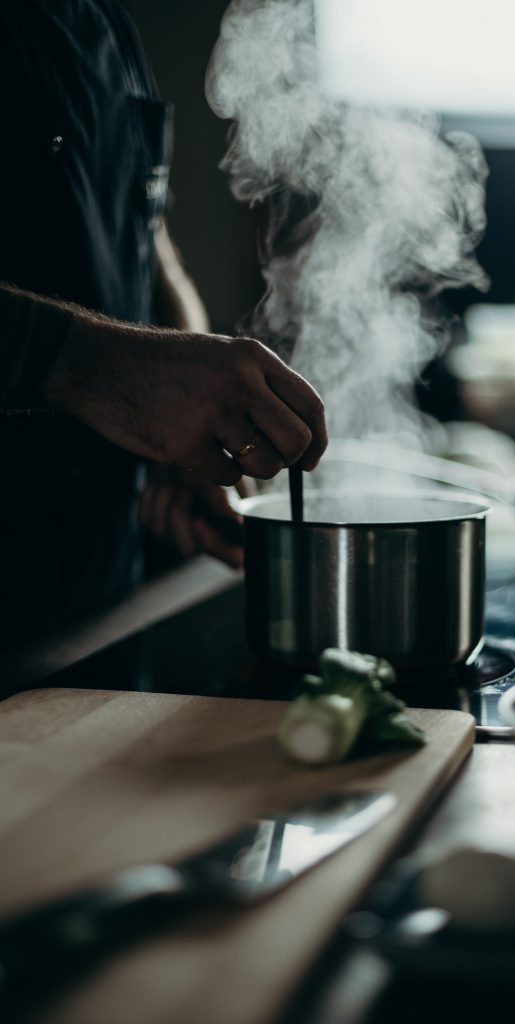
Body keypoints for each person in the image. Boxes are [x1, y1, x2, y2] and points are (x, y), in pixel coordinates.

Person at [0, 0, 327, 649]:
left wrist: (187, 415)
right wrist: (108, 371)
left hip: (93, 598)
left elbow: (147, 232)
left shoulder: (99, 21)